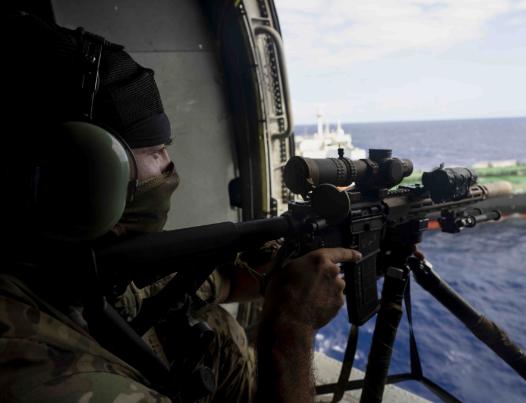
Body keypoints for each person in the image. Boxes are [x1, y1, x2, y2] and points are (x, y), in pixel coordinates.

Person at [0, 12, 361, 403]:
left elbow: (209, 283)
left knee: (211, 327)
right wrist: (291, 327)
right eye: (154, 151)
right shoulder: (42, 377)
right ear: (77, 172)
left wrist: (284, 259)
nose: (169, 164)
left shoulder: (60, 265)